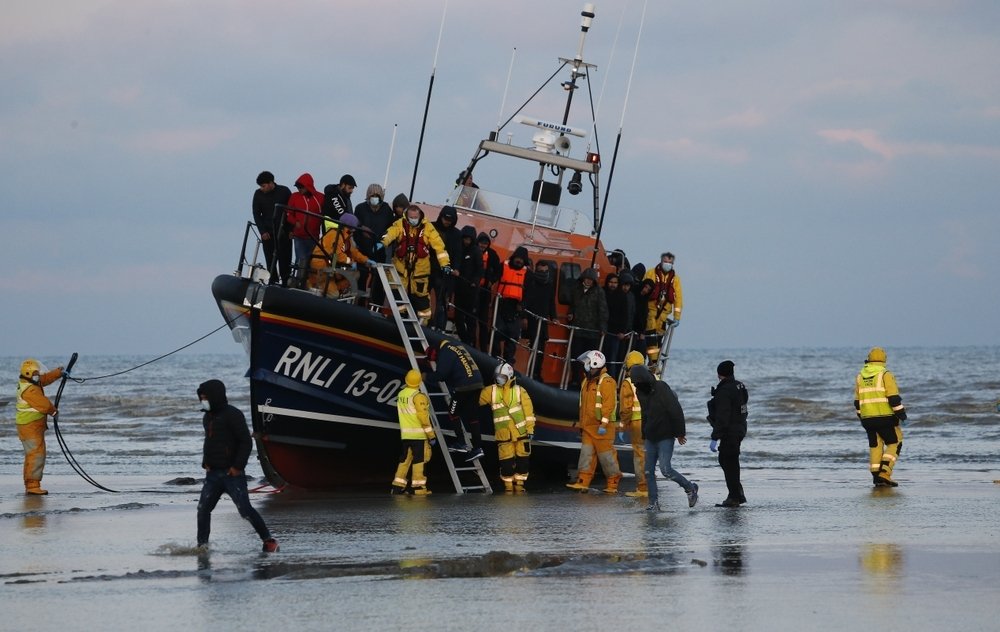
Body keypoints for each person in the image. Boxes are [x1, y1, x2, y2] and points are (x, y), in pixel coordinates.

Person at [195, 379, 278, 552]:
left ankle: (268, 540)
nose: (203, 401)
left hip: (232, 474)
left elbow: (245, 442)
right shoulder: (207, 417)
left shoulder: (233, 414)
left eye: (206, 398)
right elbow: (209, 442)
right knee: (203, 510)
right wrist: (206, 463)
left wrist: (237, 467)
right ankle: (202, 546)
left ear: (215, 396)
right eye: (201, 398)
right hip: (212, 474)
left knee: (245, 510)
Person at [631, 362, 698, 512]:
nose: (635, 384)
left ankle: (690, 489)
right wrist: (643, 433)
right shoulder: (639, 391)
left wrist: (680, 433)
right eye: (634, 382)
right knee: (648, 471)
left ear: (643, 378)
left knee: (665, 469)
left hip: (666, 436)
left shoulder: (661, 387)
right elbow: (644, 413)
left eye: (636, 381)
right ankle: (653, 503)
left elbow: (675, 410)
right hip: (650, 436)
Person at [381, 204, 451, 325]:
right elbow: (390, 233)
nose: (413, 219)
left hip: (420, 271)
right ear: (407, 216)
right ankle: (398, 320)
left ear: (419, 216)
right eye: (411, 217)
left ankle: (424, 324)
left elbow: (439, 246)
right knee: (398, 295)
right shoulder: (400, 224)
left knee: (421, 298)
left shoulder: (428, 227)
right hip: (401, 269)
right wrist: (382, 242)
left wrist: (445, 264)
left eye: (415, 217)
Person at [566, 350, 622, 494]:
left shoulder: (607, 382)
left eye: (588, 363)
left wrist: (603, 424)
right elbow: (583, 406)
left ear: (595, 364)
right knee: (586, 456)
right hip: (588, 427)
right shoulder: (587, 381)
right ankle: (583, 482)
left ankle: (613, 483)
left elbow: (608, 406)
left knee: (607, 458)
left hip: (601, 428)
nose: (586, 366)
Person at [424, 339, 485, 461]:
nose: (435, 361)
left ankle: (461, 443)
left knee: (453, 412)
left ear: (435, 352)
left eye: (434, 359)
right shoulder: (456, 346)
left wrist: (426, 376)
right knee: (473, 417)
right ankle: (477, 448)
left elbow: (441, 374)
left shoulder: (445, 351)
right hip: (477, 383)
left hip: (464, 386)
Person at [854, 347, 907, 487]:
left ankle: (876, 476)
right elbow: (894, 399)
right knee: (895, 442)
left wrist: (862, 418)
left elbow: (857, 402)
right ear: (884, 359)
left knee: (875, 446)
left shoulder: (860, 376)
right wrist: (902, 415)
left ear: (869, 359)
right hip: (885, 417)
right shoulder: (885, 374)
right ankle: (885, 473)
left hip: (867, 419)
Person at [480, 362, 535, 492]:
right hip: (503, 434)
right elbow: (478, 399)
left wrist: (530, 429)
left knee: (523, 460)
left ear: (509, 376)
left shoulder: (520, 391)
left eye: (502, 377)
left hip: (521, 433)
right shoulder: (491, 391)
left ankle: (520, 484)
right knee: (506, 462)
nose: (499, 379)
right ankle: (508, 486)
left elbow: (529, 412)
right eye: (498, 376)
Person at [15, 359, 65, 495]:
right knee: (36, 455)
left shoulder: (30, 381)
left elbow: (44, 379)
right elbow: (42, 404)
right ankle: (32, 485)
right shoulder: (30, 389)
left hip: (31, 426)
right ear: (29, 373)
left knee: (32, 455)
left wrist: (58, 373)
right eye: (36, 373)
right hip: (29, 426)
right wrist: (53, 411)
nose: (39, 376)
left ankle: (30, 483)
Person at [707, 360, 748, 507]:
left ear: (719, 374)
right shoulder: (739, 386)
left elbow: (723, 416)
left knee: (729, 462)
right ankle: (737, 492)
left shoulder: (724, 391)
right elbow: (743, 405)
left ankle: (734, 497)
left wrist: (715, 437)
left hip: (731, 431)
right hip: (740, 428)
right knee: (727, 460)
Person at [305, 213, 373, 297]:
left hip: (331, 267)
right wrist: (350, 262)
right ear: (348, 227)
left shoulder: (346, 237)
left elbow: (353, 252)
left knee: (355, 274)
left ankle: (335, 290)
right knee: (334, 295)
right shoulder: (335, 234)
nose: (354, 230)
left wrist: (365, 260)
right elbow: (337, 254)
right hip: (321, 268)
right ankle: (313, 286)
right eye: (353, 228)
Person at [391, 370, 436, 495]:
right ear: (419, 382)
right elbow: (423, 418)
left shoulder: (401, 394)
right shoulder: (419, 396)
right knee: (419, 461)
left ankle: (397, 486)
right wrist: (431, 435)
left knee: (404, 460)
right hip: (419, 436)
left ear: (406, 380)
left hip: (406, 435)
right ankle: (418, 488)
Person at [566, 268, 608, 386]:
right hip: (577, 330)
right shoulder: (576, 289)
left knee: (589, 359)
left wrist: (603, 327)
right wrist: (570, 314)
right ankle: (575, 379)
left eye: (591, 279)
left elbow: (603, 310)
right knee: (576, 356)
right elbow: (572, 305)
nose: (589, 281)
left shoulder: (599, 292)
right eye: (587, 279)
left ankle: (588, 380)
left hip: (592, 332)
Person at [251, 171, 292, 286]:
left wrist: (291, 230)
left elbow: (291, 211)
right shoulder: (258, 194)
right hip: (268, 233)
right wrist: (262, 231)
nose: (262, 189)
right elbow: (256, 213)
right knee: (270, 259)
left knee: (285, 259)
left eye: (263, 186)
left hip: (283, 232)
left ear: (270, 183)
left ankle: (285, 282)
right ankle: (272, 281)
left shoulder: (284, 191)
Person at [353, 183, 394, 298]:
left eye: (377, 195)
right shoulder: (360, 208)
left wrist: (382, 242)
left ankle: (376, 305)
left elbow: (390, 229)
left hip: (379, 250)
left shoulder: (387, 210)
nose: (375, 198)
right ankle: (359, 303)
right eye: (372, 195)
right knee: (361, 278)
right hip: (363, 249)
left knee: (379, 280)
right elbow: (355, 226)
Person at [643, 252, 683, 365]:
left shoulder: (675, 279)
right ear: (661, 261)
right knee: (651, 336)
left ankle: (653, 363)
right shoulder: (650, 273)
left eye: (670, 262)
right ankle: (654, 362)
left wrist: (677, 317)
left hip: (664, 315)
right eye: (665, 261)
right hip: (650, 311)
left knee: (659, 339)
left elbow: (678, 298)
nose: (667, 264)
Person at [618, 351, 648, 498]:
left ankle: (642, 488)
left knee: (639, 455)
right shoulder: (655, 377)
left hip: (637, 423)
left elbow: (626, 407)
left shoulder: (628, 383)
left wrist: (623, 425)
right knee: (651, 454)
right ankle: (651, 485)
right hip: (654, 421)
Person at [285, 173, 325, 282]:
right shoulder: (294, 196)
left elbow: (325, 216)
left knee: (313, 262)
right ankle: (298, 281)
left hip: (314, 237)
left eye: (301, 187)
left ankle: (309, 284)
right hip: (299, 236)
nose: (299, 189)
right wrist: (295, 222)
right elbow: (288, 214)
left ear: (308, 186)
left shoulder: (320, 198)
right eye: (298, 187)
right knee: (301, 259)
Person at [493, 246, 529, 364]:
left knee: (512, 337)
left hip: (516, 308)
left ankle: (508, 363)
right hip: (502, 303)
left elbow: (529, 294)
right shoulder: (503, 265)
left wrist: (522, 307)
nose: (519, 261)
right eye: (518, 258)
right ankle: (495, 359)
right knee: (496, 333)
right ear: (514, 257)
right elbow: (493, 277)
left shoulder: (527, 273)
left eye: (522, 259)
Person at [522, 259, 557, 381]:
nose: (543, 273)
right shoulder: (530, 282)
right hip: (530, 319)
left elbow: (551, 302)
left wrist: (554, 317)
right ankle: (525, 372)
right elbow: (524, 300)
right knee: (528, 346)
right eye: (540, 271)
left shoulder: (550, 284)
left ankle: (536, 373)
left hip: (542, 321)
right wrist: (524, 317)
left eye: (545, 271)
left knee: (541, 349)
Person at [430, 206, 463, 331]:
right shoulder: (431, 227)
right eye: (445, 218)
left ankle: (440, 327)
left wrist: (456, 268)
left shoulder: (456, 234)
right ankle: (421, 321)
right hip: (427, 269)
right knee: (421, 297)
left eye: (450, 220)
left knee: (442, 301)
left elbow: (458, 254)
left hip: (445, 273)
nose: (447, 222)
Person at [604, 272, 635, 375]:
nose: (613, 284)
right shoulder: (602, 293)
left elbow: (625, 315)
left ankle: (611, 382)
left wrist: (622, 331)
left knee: (612, 358)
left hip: (616, 333)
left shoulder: (622, 296)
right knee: (601, 356)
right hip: (603, 331)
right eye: (611, 282)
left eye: (615, 282)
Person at [475, 232, 502, 352]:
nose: (483, 245)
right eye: (481, 243)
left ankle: (483, 349)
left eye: (485, 243)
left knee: (483, 322)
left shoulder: (492, 255)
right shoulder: (472, 251)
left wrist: (492, 280)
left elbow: (498, 271)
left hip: (485, 292)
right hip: (472, 290)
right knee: (468, 319)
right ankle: (470, 343)